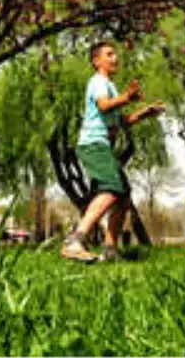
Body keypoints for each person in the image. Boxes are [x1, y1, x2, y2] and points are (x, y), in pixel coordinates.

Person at [61, 41, 165, 263]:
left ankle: (110, 250)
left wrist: (145, 113)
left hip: (102, 146)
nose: (114, 58)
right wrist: (126, 98)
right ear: (96, 61)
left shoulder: (110, 86)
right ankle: (75, 240)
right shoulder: (98, 82)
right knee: (112, 188)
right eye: (109, 54)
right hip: (93, 144)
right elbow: (103, 106)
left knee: (123, 196)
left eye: (115, 54)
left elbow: (120, 121)